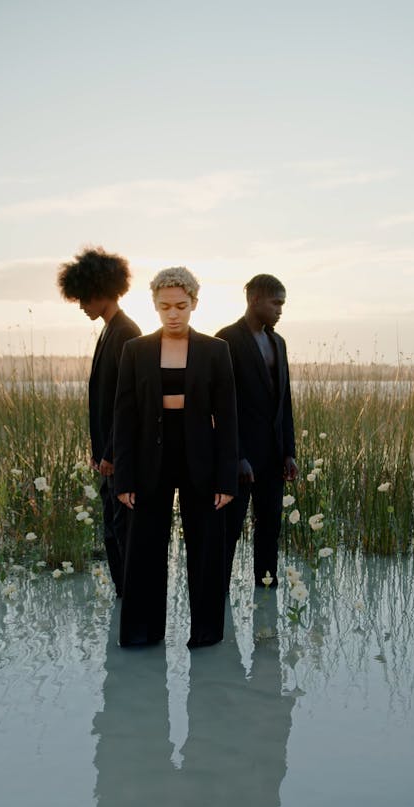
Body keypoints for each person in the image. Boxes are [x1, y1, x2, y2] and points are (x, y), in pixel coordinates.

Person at [113, 267, 238, 648]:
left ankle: (205, 635)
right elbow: (124, 417)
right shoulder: (134, 350)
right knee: (145, 549)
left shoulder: (217, 351)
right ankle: (141, 635)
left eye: (181, 306)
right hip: (150, 458)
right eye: (165, 306)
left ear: (194, 304)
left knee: (205, 551)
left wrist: (226, 480)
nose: (173, 314)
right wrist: (124, 479)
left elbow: (228, 419)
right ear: (154, 305)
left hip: (200, 457)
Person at [57, 245, 141, 597]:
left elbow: (129, 405)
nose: (80, 305)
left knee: (121, 531)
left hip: (121, 457)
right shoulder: (109, 330)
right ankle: (124, 600)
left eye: (83, 298)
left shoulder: (125, 332)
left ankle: (132, 599)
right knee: (112, 530)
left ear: (100, 290)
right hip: (109, 456)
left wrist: (110, 452)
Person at [216, 274, 298, 589]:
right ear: (255, 300)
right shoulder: (225, 340)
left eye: (282, 304)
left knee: (269, 531)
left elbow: (284, 401)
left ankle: (266, 598)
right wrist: (236, 455)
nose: (280, 310)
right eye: (276, 303)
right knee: (229, 531)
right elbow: (221, 407)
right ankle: (218, 597)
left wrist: (289, 451)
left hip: (274, 458)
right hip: (239, 460)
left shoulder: (278, 342)